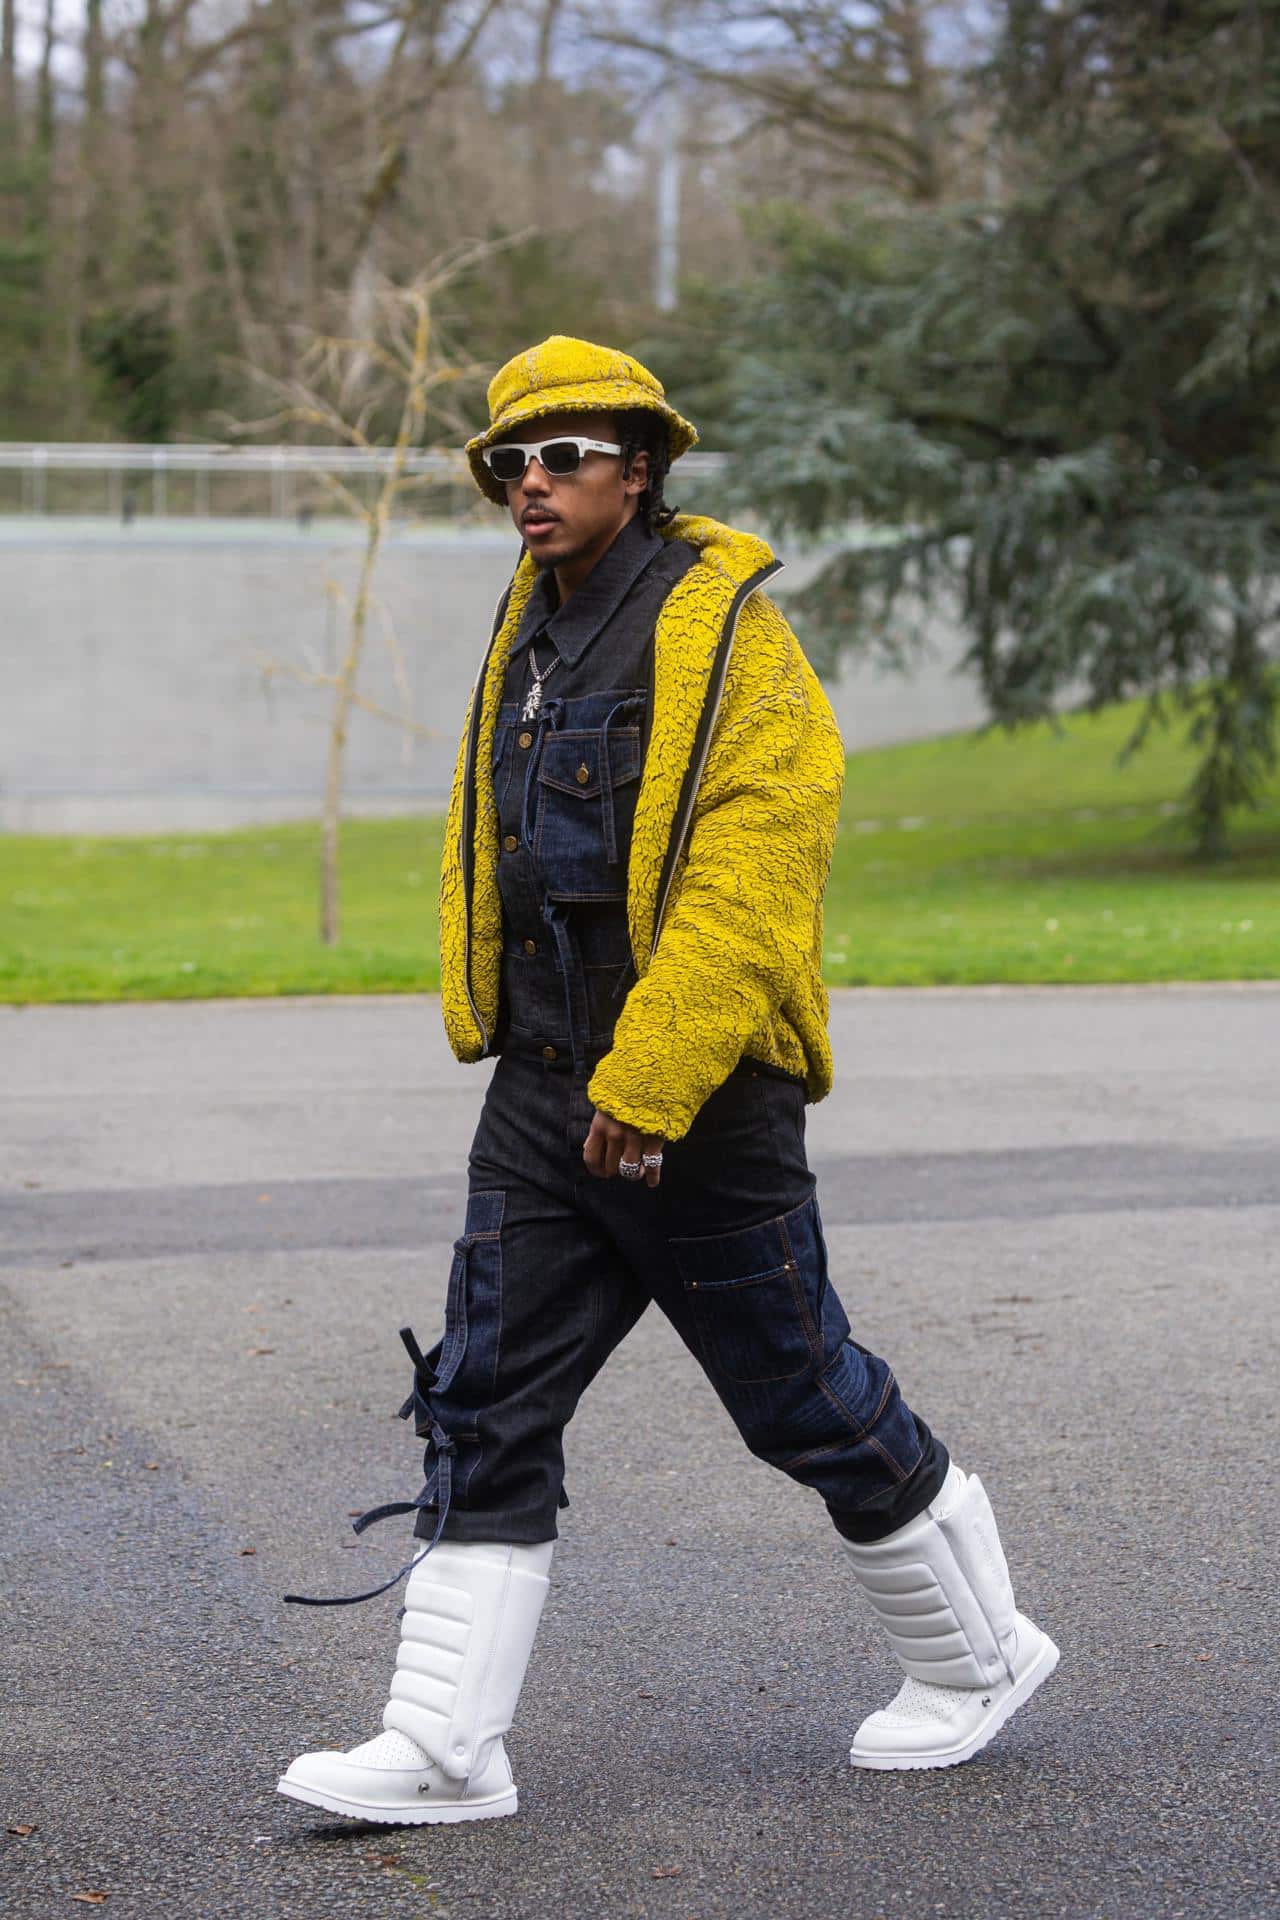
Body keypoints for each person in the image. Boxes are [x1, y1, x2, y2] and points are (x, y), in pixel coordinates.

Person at [277, 337, 1059, 1825]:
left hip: (697, 1101)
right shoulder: (533, 627)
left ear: (641, 466)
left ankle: (980, 1653)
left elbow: (753, 884)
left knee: (800, 1398)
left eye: (565, 455)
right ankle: (446, 1747)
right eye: (512, 460)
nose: (531, 483)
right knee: (484, 1396)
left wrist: (650, 1086)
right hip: (541, 1083)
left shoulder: (732, 638)